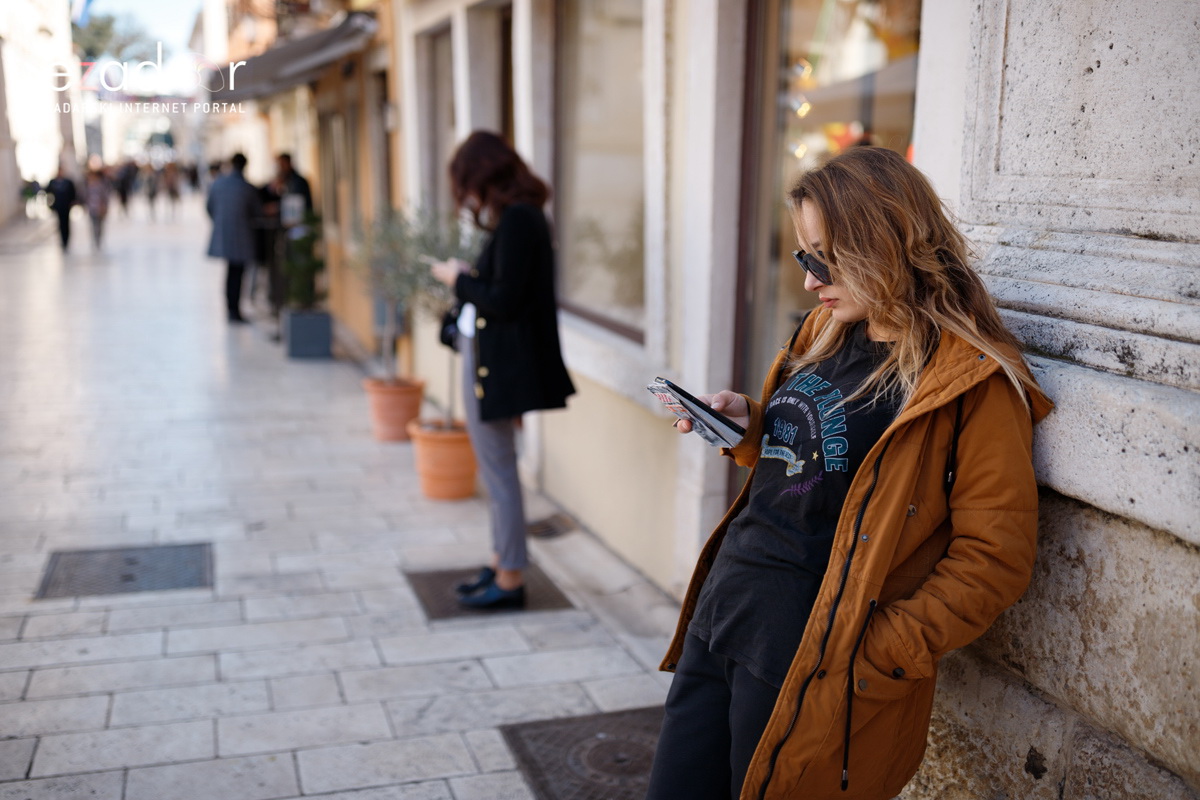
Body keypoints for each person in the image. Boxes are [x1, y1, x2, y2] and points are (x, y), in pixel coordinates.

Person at [645, 146, 1053, 800]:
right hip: (725, 607)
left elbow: (995, 558)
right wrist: (749, 423)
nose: (809, 278)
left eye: (822, 256)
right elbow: (820, 462)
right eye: (805, 256)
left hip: (805, 655)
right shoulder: (824, 331)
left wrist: (876, 652)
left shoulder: (971, 383)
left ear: (885, 242)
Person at [431, 131, 576, 610]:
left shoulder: (519, 220)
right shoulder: (520, 218)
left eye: (466, 183)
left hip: (497, 365)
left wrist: (459, 279)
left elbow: (504, 300)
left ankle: (510, 576)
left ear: (482, 176)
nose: (466, 195)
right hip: (494, 361)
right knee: (497, 468)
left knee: (498, 472)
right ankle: (501, 561)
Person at [206, 153, 261, 323]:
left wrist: (220, 222)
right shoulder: (246, 187)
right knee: (237, 273)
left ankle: (231, 308)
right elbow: (256, 211)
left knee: (231, 272)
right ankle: (234, 310)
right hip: (242, 235)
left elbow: (209, 207)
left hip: (225, 233)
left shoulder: (219, 184)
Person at [46, 167, 77, 251]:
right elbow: (47, 193)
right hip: (58, 206)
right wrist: (50, 205)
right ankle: (62, 240)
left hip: (66, 206)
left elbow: (73, 193)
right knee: (60, 224)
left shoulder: (68, 182)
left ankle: (66, 240)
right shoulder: (53, 182)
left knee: (66, 223)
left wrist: (73, 202)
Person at [83, 167, 111, 251]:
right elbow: (85, 196)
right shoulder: (87, 186)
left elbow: (105, 197)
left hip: (100, 207)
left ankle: (99, 239)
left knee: (99, 225)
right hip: (91, 208)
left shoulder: (101, 186)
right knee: (93, 225)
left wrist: (104, 207)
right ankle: (94, 240)